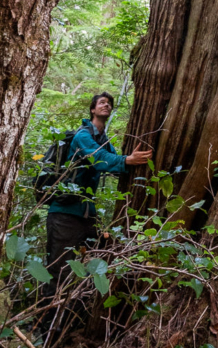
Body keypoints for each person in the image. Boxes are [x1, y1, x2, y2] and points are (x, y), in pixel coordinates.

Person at [44, 91, 152, 298]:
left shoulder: (103, 140)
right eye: (102, 103)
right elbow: (98, 158)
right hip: (64, 214)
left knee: (99, 257)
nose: (107, 106)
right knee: (58, 269)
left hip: (87, 215)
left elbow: (114, 164)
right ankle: (44, 323)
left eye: (110, 104)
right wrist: (126, 160)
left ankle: (74, 311)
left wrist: (128, 161)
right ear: (93, 109)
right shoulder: (83, 135)